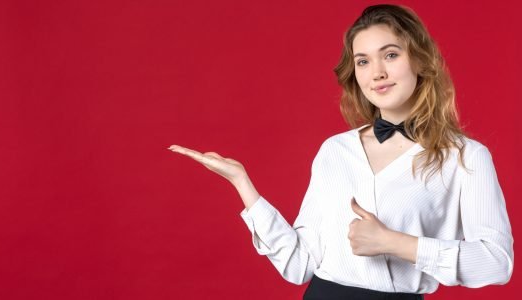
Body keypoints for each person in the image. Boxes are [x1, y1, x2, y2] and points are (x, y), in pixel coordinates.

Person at [168, 4, 513, 300]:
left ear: (420, 62)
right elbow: (300, 263)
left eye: (390, 55)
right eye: (363, 61)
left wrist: (394, 242)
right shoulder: (335, 150)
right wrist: (243, 184)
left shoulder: (465, 157)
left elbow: (497, 262)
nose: (377, 72)